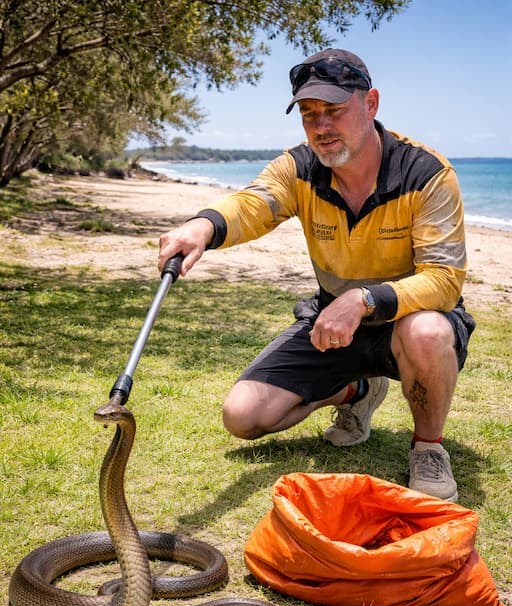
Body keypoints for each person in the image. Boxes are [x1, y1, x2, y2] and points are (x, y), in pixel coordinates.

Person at [158, 48, 475, 502]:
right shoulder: (300, 167)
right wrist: (202, 226)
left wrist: (364, 299)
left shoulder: (426, 174)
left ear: (370, 104)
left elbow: (445, 281)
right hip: (332, 322)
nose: (321, 127)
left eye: (334, 111)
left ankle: (427, 446)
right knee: (242, 417)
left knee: (426, 330)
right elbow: (254, 204)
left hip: (410, 319)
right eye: (309, 115)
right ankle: (356, 392)